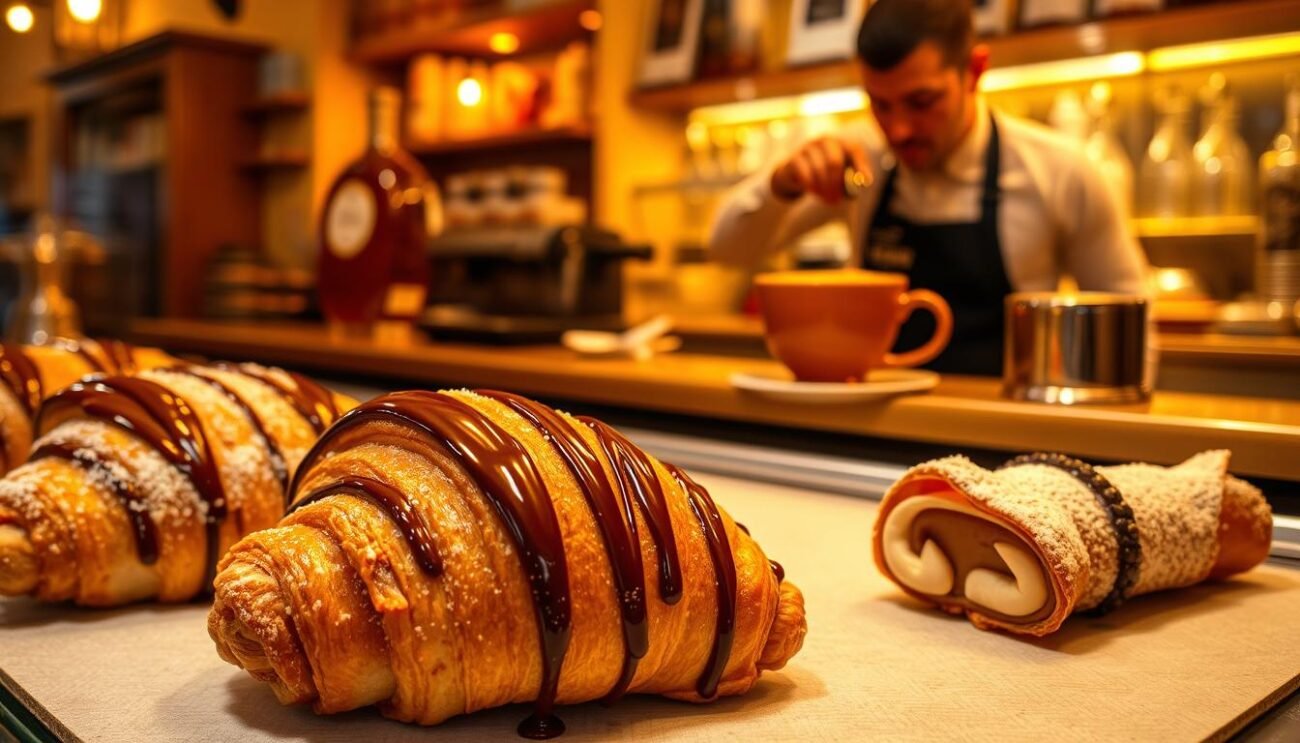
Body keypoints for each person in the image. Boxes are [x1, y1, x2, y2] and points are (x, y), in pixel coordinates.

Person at [709, 0, 1149, 376]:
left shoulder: (1059, 172)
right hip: (877, 420)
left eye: (922, 102)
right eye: (880, 104)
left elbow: (1130, 328)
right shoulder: (859, 159)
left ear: (974, 71)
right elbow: (728, 251)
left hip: (1004, 432)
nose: (898, 129)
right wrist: (781, 185)